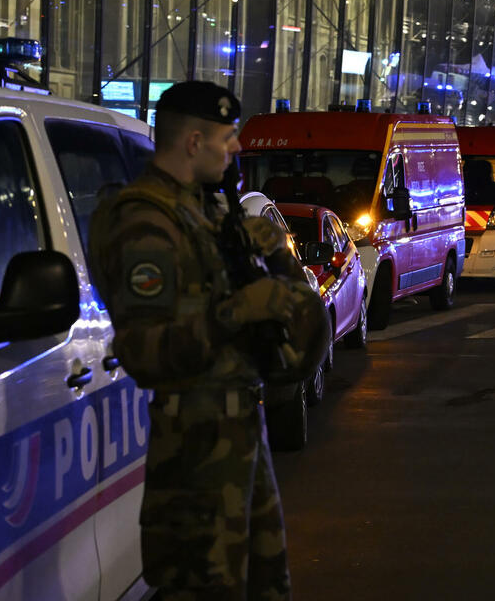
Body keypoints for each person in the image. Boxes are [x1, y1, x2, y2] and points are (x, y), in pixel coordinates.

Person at [89, 81, 326, 601]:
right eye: (228, 135)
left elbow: (303, 334)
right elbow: (145, 354)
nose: (237, 147)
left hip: (240, 438)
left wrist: (279, 262)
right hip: (193, 456)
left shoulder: (208, 216)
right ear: (194, 142)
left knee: (265, 584)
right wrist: (236, 311)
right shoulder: (146, 224)